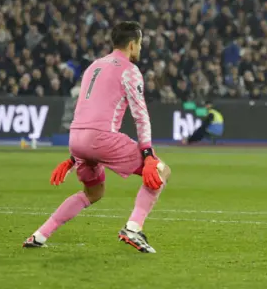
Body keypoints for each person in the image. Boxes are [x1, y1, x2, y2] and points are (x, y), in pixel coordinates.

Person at [22, 21, 170, 253]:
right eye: (140, 44)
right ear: (132, 45)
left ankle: (39, 235)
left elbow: (83, 108)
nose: (140, 49)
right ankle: (133, 228)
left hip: (77, 137)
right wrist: (148, 153)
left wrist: (73, 156)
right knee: (161, 171)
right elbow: (140, 115)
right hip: (101, 138)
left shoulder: (94, 67)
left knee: (93, 192)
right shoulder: (130, 70)